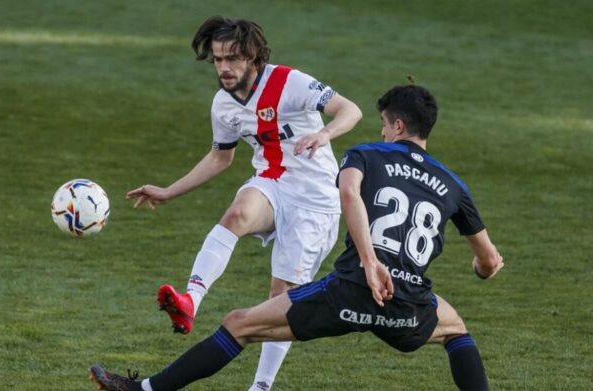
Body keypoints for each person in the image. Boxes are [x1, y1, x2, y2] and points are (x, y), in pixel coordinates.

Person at [93, 84, 504, 391]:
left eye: (383, 125)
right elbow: (490, 262)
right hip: (408, 304)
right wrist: (479, 268)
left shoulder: (366, 154)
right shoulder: (454, 185)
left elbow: (346, 192)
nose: (381, 133)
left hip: (350, 291)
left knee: (239, 324)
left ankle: (144, 389)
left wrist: (369, 261)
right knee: (455, 332)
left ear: (397, 126)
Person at [125, 16, 362, 391]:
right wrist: (170, 191)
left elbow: (351, 110)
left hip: (316, 202)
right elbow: (221, 157)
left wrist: (324, 132)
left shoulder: (290, 81)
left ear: (253, 56)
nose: (224, 68)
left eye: (232, 59)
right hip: (272, 183)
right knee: (236, 214)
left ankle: (261, 386)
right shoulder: (223, 104)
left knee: (280, 300)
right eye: (218, 60)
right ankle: (191, 301)